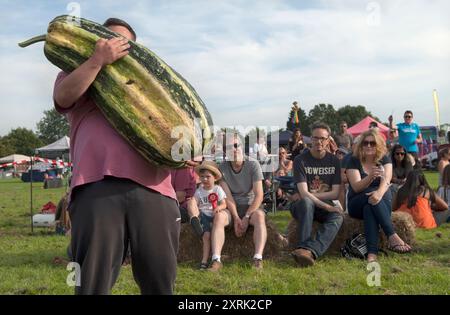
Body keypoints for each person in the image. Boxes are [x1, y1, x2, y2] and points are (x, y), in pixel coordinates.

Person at [53, 18, 180, 295]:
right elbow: (63, 97)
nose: (115, 45)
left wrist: (186, 150)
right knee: (89, 283)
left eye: (124, 43)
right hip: (95, 186)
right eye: (108, 39)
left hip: (155, 189)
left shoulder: (154, 85)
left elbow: (179, 126)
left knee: (161, 280)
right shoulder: (77, 68)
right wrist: (97, 61)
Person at [346, 129, 411, 263]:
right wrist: (370, 177)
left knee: (370, 207)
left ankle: (372, 254)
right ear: (361, 145)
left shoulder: (384, 158)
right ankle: (392, 235)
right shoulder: (354, 160)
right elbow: (356, 187)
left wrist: (378, 194)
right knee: (369, 202)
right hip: (356, 201)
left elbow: (387, 181)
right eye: (365, 143)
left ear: (379, 145)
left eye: (373, 143)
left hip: (380, 199)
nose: (369, 146)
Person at [289, 122, 344, 267]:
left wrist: (308, 194)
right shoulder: (300, 160)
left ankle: (310, 251)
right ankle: (302, 246)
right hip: (301, 206)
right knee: (307, 202)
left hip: (319, 204)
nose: (319, 141)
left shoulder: (334, 161)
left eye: (322, 138)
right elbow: (304, 194)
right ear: (310, 139)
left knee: (338, 216)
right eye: (315, 138)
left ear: (328, 140)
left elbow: (335, 192)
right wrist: (324, 204)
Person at [213, 134, 267, 271]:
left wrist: (247, 217)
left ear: (243, 147)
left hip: (251, 206)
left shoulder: (253, 164)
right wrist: (237, 218)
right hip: (232, 207)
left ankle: (258, 258)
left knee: (260, 217)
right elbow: (228, 197)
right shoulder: (222, 168)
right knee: (219, 217)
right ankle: (216, 260)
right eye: (230, 147)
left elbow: (259, 195)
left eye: (237, 145)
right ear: (225, 151)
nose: (234, 149)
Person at [187, 161, 227, 269]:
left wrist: (219, 207)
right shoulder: (199, 190)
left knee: (215, 230)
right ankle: (204, 262)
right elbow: (195, 201)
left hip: (214, 215)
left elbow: (224, 204)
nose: (204, 179)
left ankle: (214, 258)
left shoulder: (217, 189)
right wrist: (192, 202)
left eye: (208, 177)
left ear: (215, 178)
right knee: (206, 236)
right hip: (203, 215)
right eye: (202, 177)